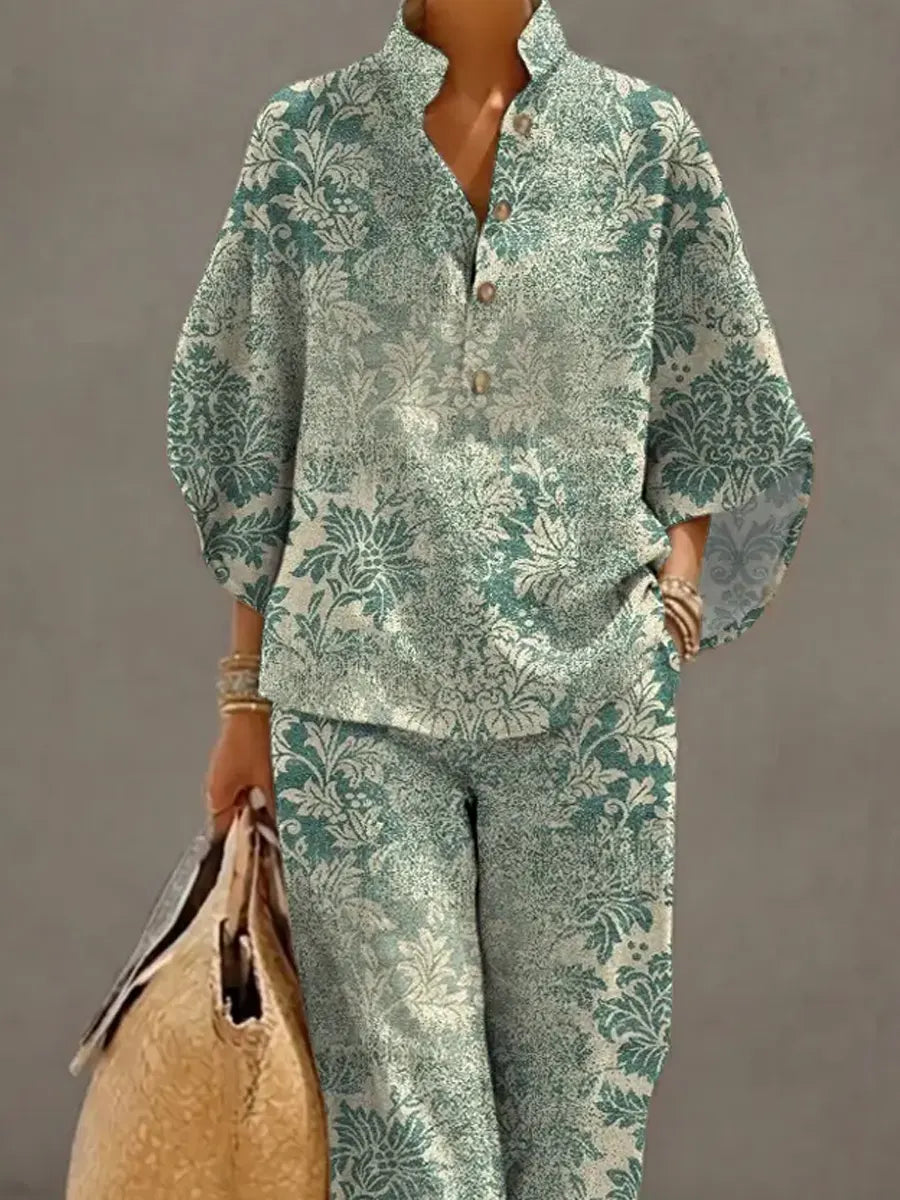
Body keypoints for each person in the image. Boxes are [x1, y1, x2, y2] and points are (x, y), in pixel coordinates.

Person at [166, 0, 815, 1195]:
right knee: (414, 1156)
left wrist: (673, 600)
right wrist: (244, 698)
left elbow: (723, 396)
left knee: (581, 1152)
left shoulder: (643, 138)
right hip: (354, 704)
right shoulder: (306, 137)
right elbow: (250, 419)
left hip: (590, 710)